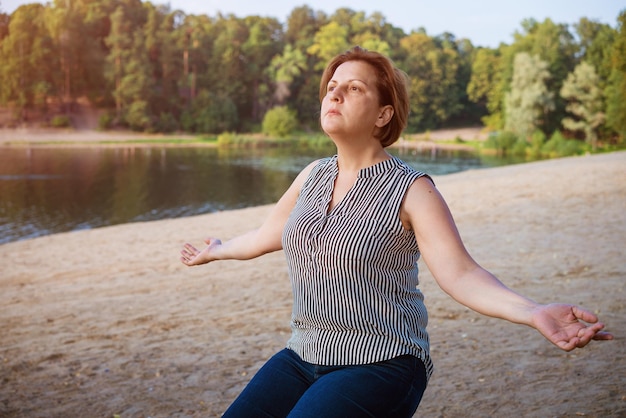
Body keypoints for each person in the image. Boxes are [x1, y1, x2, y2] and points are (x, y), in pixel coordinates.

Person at [180, 46, 613, 417]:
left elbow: (460, 274)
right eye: (333, 85)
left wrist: (534, 311)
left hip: (383, 362)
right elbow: (264, 236)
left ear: (383, 114)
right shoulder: (311, 176)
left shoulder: (412, 188)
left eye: (354, 88)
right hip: (302, 354)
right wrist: (216, 250)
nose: (335, 92)